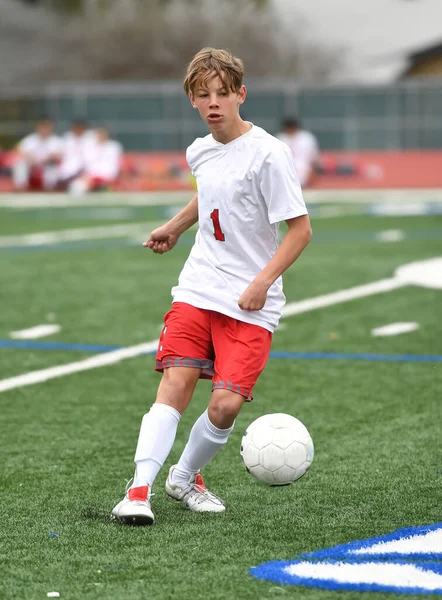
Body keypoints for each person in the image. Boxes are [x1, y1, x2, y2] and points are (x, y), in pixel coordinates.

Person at [111, 47, 312, 526]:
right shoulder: (199, 150)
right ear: (193, 101)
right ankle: (138, 491)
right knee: (175, 383)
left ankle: (185, 476)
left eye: (223, 92)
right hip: (199, 287)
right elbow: (209, 195)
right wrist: (176, 227)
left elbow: (301, 230)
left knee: (224, 406)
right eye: (203, 95)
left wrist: (263, 281)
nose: (214, 102)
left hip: (251, 301)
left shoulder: (269, 154)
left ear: (241, 94)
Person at [12, 118, 63, 191]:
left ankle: (50, 188)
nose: (44, 130)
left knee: (51, 165)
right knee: (20, 163)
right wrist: (30, 159)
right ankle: (20, 187)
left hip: (48, 165)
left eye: (46, 127)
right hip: (32, 164)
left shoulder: (56, 141)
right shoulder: (30, 139)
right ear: (38, 128)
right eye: (42, 127)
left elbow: (60, 157)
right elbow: (18, 150)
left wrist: (48, 159)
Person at [68, 127, 122, 195]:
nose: (100, 136)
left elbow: (113, 168)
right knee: (77, 186)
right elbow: (86, 165)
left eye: (102, 134)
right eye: (99, 134)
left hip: (107, 178)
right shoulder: (90, 146)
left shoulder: (113, 147)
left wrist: (100, 179)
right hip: (90, 178)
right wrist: (88, 178)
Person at [277, 117, 320, 188]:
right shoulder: (280, 139)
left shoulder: (307, 138)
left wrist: (312, 174)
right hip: (285, 173)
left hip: (304, 172)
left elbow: (314, 159)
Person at [57, 119, 97, 188]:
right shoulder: (67, 138)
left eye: (80, 128)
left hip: (87, 172)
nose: (78, 130)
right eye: (76, 128)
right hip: (69, 171)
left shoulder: (91, 139)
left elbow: (91, 158)